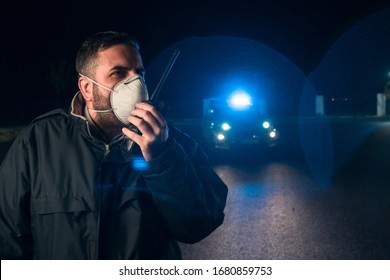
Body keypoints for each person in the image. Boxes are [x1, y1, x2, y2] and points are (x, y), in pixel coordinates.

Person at [0, 31, 228, 259]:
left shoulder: (171, 143)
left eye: (139, 73)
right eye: (118, 73)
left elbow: (197, 226)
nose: (135, 84)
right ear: (87, 88)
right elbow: (9, 238)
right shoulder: (38, 141)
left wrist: (162, 157)